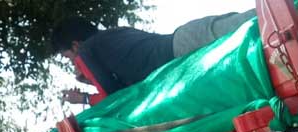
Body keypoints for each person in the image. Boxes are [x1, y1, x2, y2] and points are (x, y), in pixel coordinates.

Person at [52, 9, 256, 103]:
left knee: (274, 16)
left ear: (75, 45)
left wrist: (83, 98)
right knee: (267, 19)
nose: (74, 63)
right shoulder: (113, 37)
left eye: (69, 57)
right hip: (189, 39)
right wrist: (91, 79)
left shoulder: (87, 50)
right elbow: (128, 89)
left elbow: (115, 101)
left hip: (186, 49)